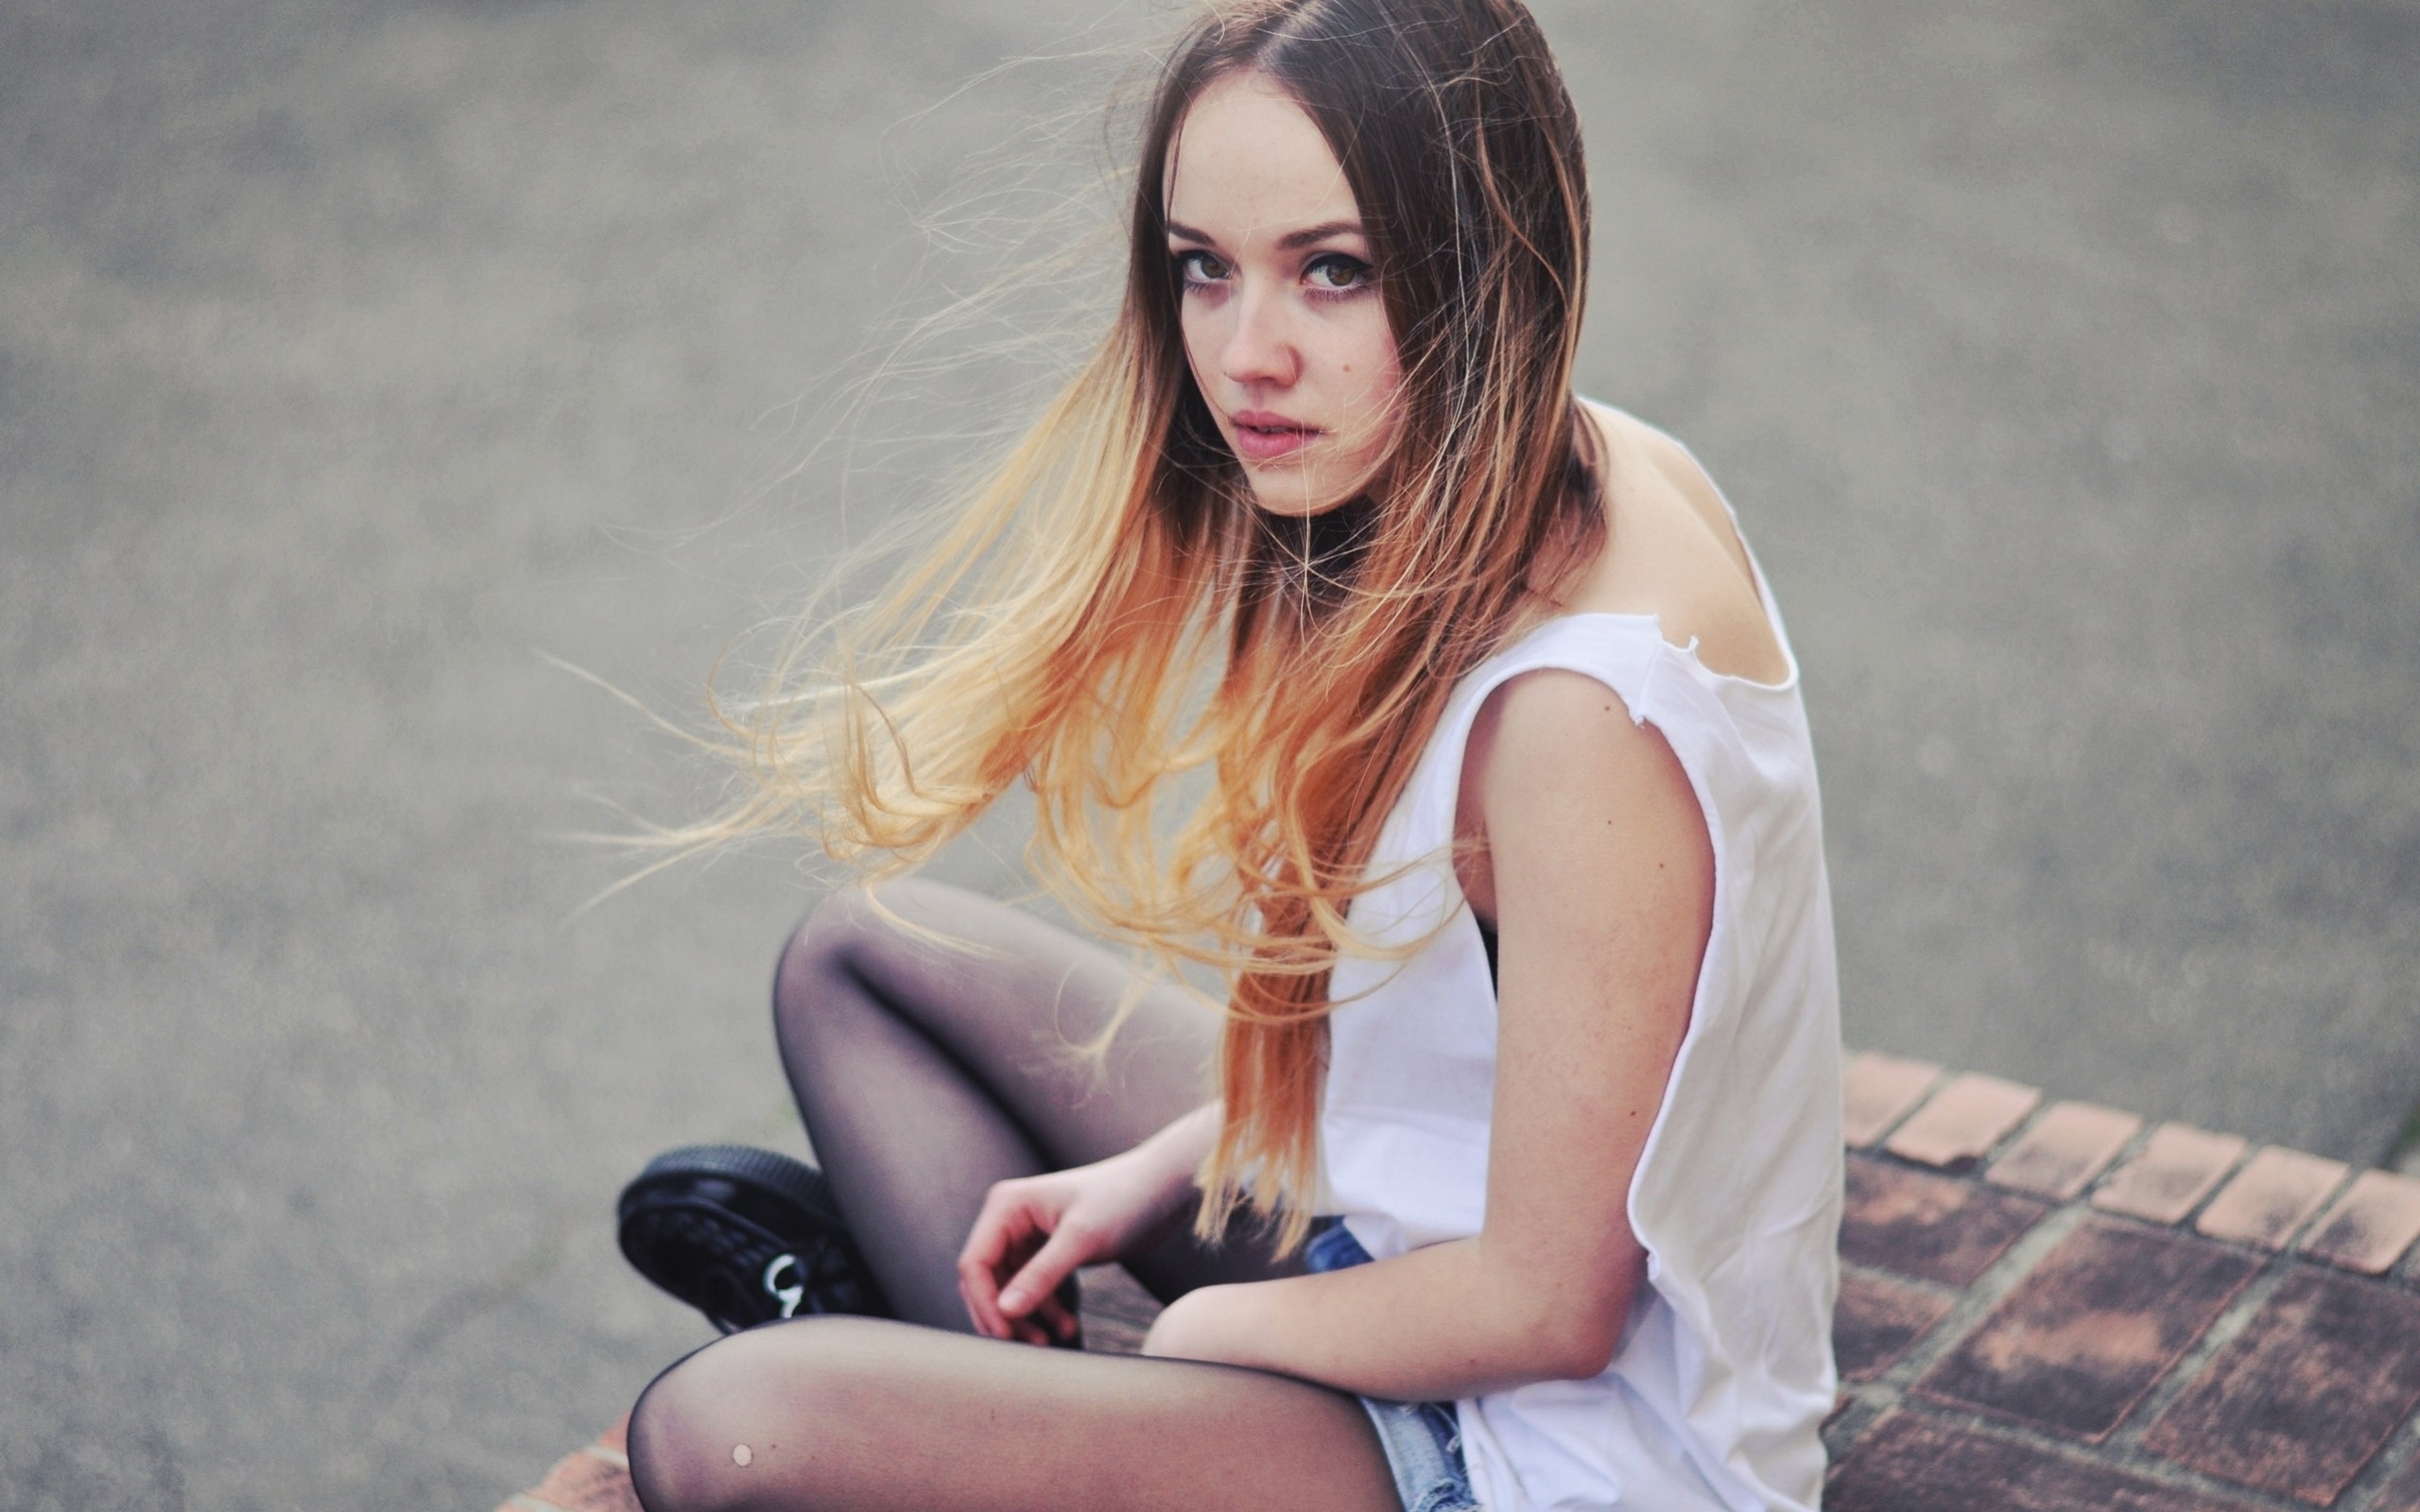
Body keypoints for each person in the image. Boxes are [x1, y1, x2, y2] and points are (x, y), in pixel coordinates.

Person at [616, 1, 1843, 1507]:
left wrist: (1198, 1337)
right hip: (1412, 1230)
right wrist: (1154, 1174)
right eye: (1205, 267)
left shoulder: (1580, 718)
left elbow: (1553, 1306)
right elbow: (1464, 1055)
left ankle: (923, 1401)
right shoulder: (1555, 461)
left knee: (718, 1433)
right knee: (864, 960)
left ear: (1487, 260)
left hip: (1548, 1449)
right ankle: (954, 1411)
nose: (1247, 355)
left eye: (1335, 271)